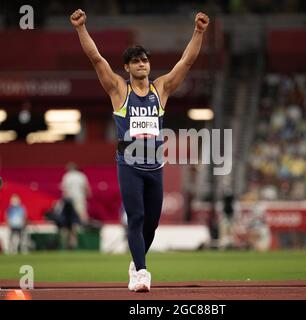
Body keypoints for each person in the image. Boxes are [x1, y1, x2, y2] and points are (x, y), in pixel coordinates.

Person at [70, 9, 209, 292]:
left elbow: (187, 61)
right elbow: (96, 59)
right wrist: (81, 28)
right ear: (127, 68)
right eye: (136, 62)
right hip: (129, 163)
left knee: (152, 224)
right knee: (136, 217)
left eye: (145, 60)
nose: (142, 65)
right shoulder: (120, 92)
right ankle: (142, 272)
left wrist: (199, 32)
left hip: (155, 165)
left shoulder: (161, 90)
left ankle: (136, 262)